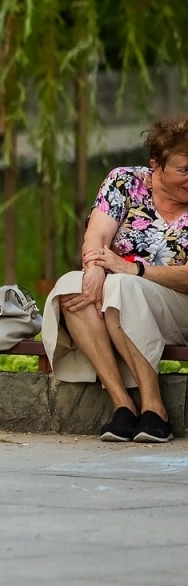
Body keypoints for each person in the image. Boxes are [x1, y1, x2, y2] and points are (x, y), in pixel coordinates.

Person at [43, 119, 188, 443]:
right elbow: (96, 235)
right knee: (74, 286)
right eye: (185, 170)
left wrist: (133, 270)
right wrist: (94, 268)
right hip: (120, 300)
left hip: (180, 304)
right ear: (156, 165)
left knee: (121, 286)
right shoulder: (125, 182)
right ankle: (122, 404)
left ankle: (154, 407)